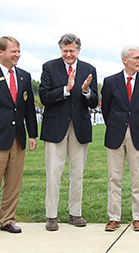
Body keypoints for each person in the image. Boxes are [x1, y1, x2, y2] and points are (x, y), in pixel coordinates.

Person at [0, 36, 38, 237]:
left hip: (17, 138)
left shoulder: (25, 76)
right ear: (0, 52)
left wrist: (32, 135)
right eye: (13, 51)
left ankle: (8, 220)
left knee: (13, 184)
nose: (17, 55)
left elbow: (28, 108)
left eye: (19, 51)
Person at [39, 33, 98, 231]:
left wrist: (85, 91)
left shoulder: (89, 69)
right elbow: (45, 96)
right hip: (55, 127)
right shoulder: (49, 67)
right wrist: (66, 89)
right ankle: (52, 216)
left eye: (72, 50)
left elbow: (94, 102)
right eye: (65, 51)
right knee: (54, 173)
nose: (68, 54)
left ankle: (75, 213)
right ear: (60, 50)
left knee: (77, 173)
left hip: (79, 127)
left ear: (78, 50)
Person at [101, 45, 139, 232]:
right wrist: (117, 124)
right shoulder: (110, 82)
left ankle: (138, 218)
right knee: (114, 178)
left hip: (138, 134)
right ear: (125, 60)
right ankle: (114, 217)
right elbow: (105, 109)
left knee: (138, 179)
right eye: (136, 58)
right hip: (115, 134)